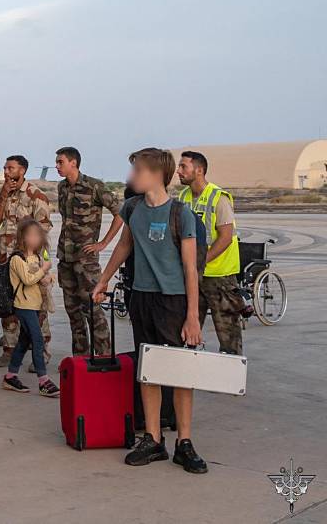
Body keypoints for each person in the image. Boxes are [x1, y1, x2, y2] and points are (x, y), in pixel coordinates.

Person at [93, 148, 206, 474]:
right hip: (141, 298)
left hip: (173, 301)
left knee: (180, 372)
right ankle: (153, 439)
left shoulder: (181, 214)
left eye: (137, 170)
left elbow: (190, 268)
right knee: (149, 369)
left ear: (156, 174)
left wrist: (193, 316)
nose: (131, 177)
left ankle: (184, 442)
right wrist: (103, 280)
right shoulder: (133, 208)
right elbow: (125, 245)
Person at [53, 147, 122, 357]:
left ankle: (103, 357)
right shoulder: (62, 187)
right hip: (65, 258)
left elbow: (120, 213)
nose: (57, 166)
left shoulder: (94, 186)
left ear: (73, 163)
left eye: (60, 162)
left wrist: (103, 243)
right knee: (73, 312)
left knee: (93, 310)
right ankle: (80, 359)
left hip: (86, 261)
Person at [177, 151, 244, 355]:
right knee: (186, 332)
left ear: (199, 170)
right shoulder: (183, 197)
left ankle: (232, 370)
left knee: (228, 335)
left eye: (183, 166)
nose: (178, 171)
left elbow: (225, 237)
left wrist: (200, 261)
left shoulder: (218, 198)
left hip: (220, 277)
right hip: (194, 276)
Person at [0, 154, 53, 368]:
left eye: (11, 168)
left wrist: (33, 259)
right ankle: (9, 349)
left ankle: (41, 353)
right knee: (7, 303)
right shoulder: (2, 193)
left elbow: (43, 230)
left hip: (30, 261)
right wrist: (2, 195)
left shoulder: (35, 194)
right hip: (6, 260)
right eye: (5, 168)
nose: (6, 172)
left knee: (37, 307)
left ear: (22, 170)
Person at [2, 219, 60, 398]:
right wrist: (43, 271)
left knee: (23, 341)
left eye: (38, 235)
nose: (35, 239)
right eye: (31, 235)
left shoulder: (37, 257)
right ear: (22, 237)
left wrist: (48, 276)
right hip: (23, 306)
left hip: (35, 305)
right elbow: (28, 280)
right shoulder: (17, 259)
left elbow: (42, 277)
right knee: (38, 340)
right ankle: (43, 381)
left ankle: (10, 376)